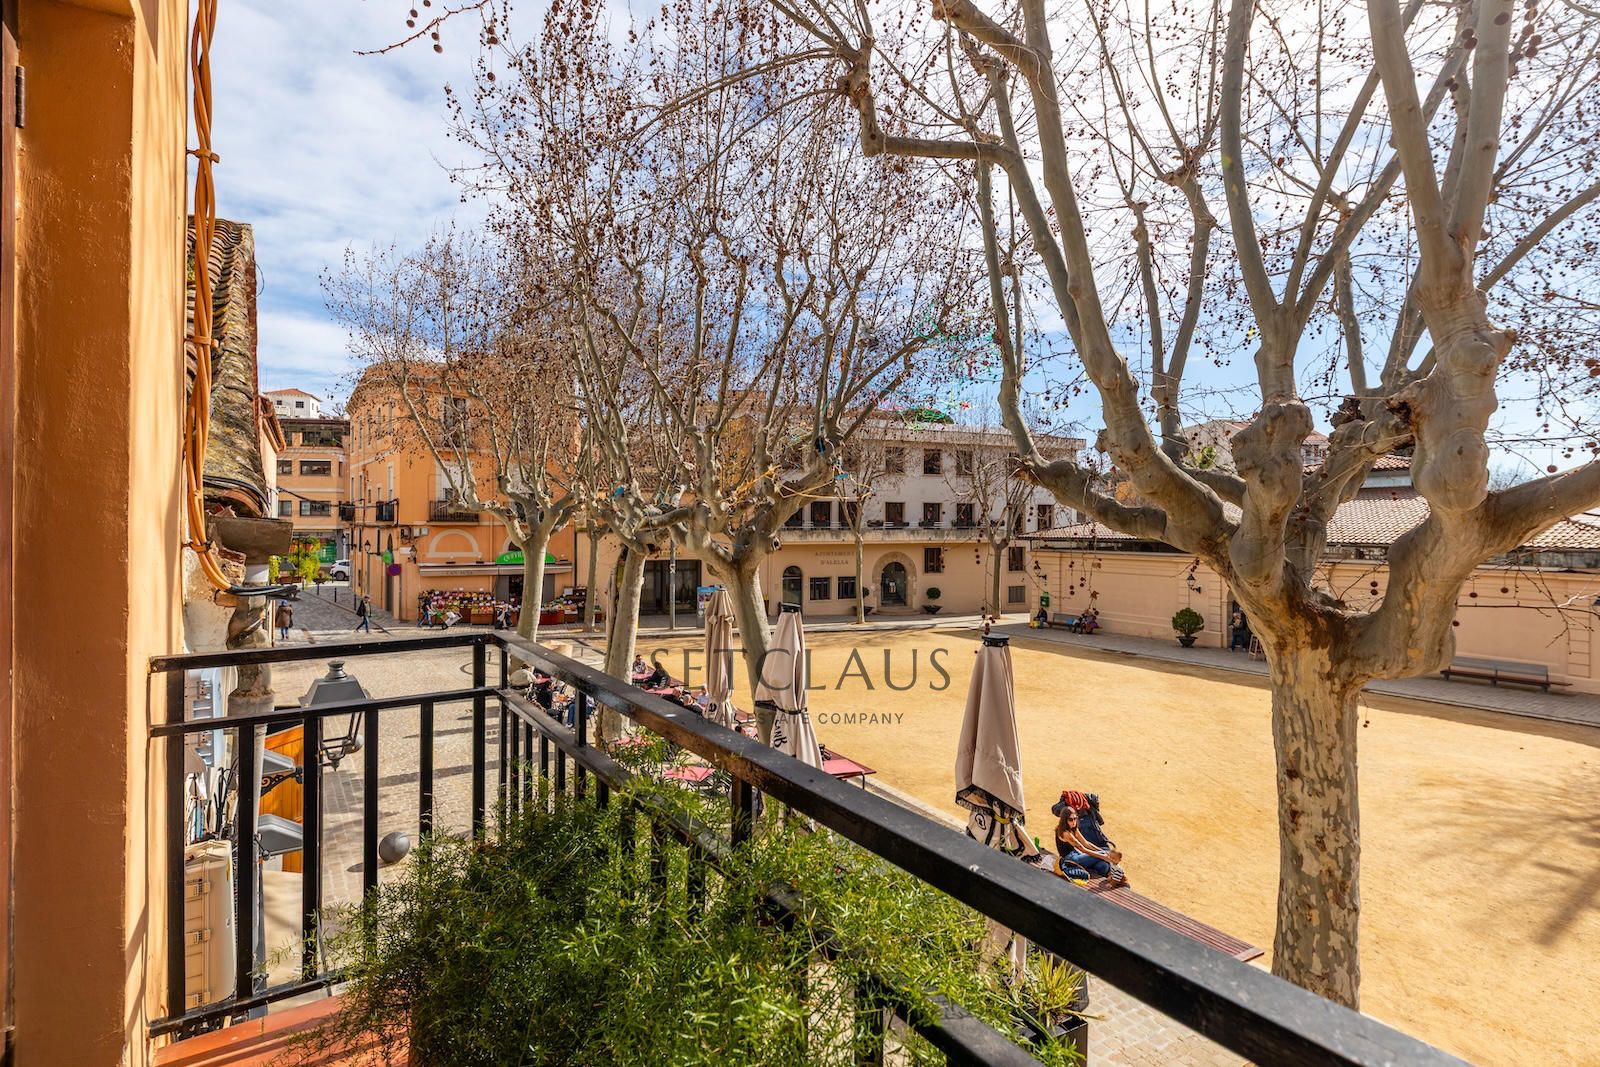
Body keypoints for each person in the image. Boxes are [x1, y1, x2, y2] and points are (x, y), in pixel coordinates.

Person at [1055, 807, 1127, 886]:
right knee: (1103, 856)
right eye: (1070, 819)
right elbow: (1083, 849)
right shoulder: (1066, 833)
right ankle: (1119, 876)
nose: (1074, 822)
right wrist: (1103, 855)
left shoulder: (1073, 828)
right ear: (1064, 820)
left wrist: (1102, 851)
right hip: (1070, 859)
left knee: (1103, 865)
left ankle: (1109, 875)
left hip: (1077, 854)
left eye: (1075, 818)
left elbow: (1086, 843)